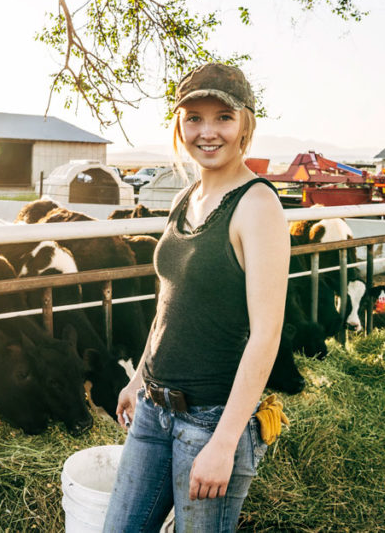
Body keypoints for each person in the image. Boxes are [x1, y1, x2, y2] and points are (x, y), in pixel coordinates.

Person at [102, 63, 289, 532]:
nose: (207, 132)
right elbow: (170, 304)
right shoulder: (185, 198)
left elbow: (266, 335)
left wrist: (224, 443)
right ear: (179, 125)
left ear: (245, 124)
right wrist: (138, 378)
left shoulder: (257, 205)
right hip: (153, 410)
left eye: (223, 117)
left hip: (211, 420)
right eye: (194, 118)